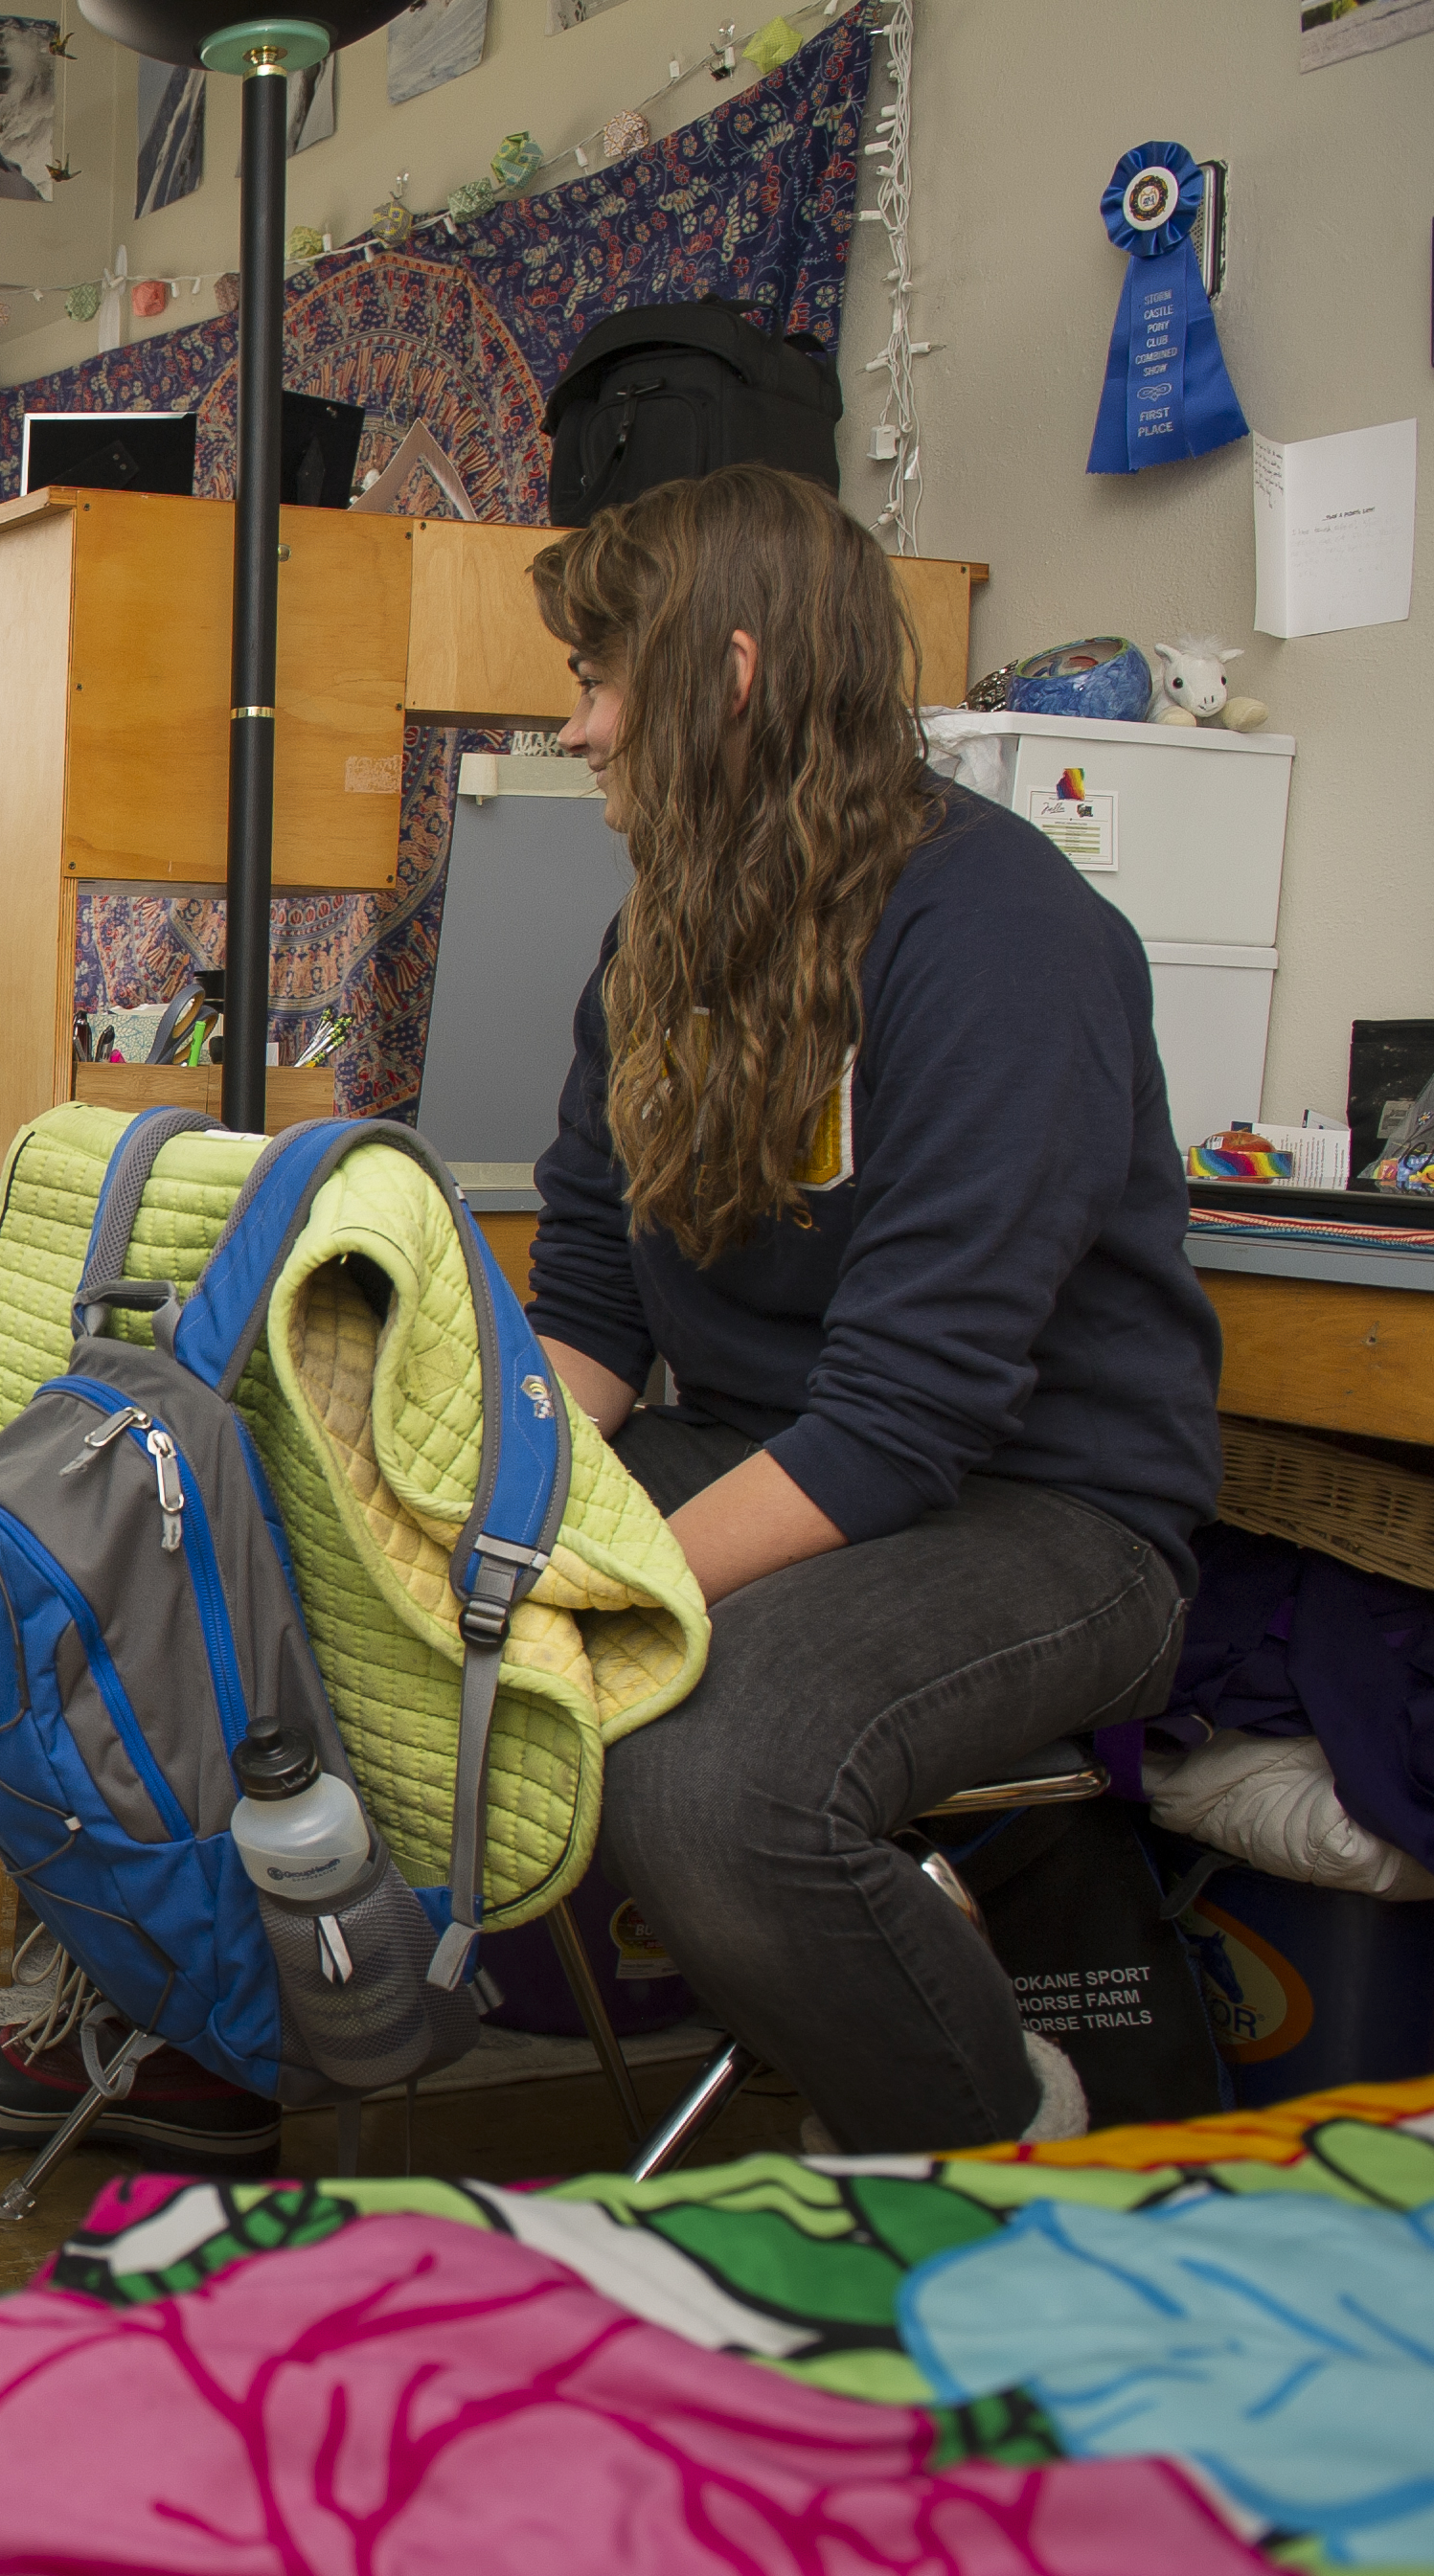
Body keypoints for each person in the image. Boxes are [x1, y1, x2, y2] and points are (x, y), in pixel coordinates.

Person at [523, 467, 1214, 2152]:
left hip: (1041, 1512)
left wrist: (596, 1604)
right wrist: (481, 1519)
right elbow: (597, 1299)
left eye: (601, 681)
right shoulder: (658, 937)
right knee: (328, 1576)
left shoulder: (1006, 937)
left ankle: (983, 2136)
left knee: (712, 1770)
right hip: (772, 1450)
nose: (579, 730)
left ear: (730, 679)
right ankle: (232, 2055)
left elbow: (911, 1413)